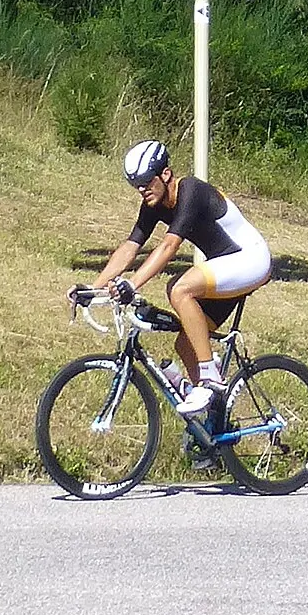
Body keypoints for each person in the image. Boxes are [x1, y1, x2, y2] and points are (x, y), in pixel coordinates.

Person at [71, 142, 273, 419]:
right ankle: (212, 426)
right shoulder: (153, 203)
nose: (142, 190)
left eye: (146, 182)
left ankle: (210, 377)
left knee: (179, 289)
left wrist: (132, 284)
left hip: (251, 260)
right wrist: (93, 289)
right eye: (136, 185)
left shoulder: (191, 191)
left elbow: (168, 247)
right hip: (227, 266)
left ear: (165, 174)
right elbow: (130, 247)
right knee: (185, 344)